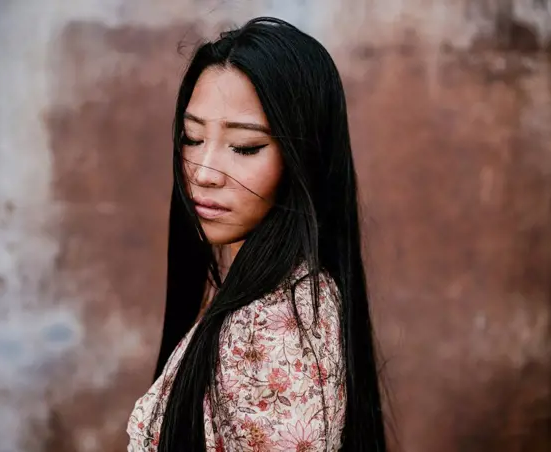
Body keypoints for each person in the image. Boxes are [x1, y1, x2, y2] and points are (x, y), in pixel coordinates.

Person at [127, 17, 387, 451]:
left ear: (305, 156)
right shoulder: (284, 295)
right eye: (192, 138)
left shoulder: (269, 327)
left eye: (245, 147)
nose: (204, 173)